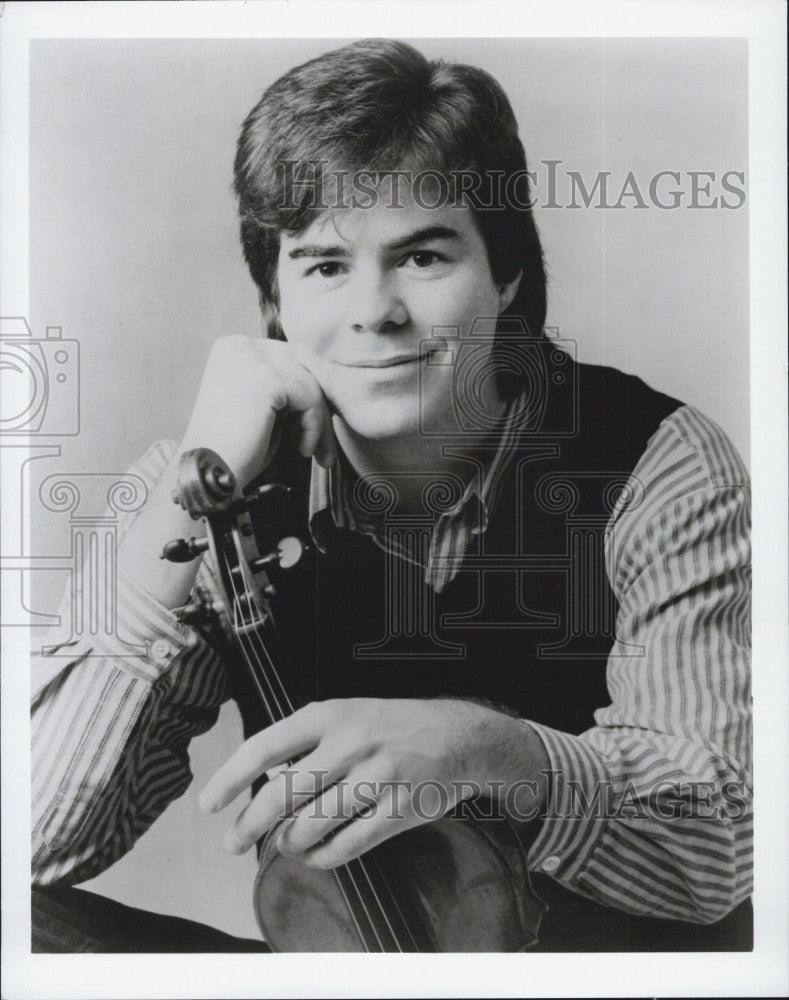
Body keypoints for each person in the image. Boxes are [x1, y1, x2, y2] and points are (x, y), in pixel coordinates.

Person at [31, 39, 752, 952]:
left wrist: (489, 752)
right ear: (275, 300)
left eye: (421, 256)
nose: (374, 309)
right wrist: (189, 488)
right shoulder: (206, 492)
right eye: (325, 265)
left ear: (506, 273)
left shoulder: (658, 460)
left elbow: (719, 842)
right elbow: (33, 839)